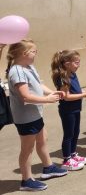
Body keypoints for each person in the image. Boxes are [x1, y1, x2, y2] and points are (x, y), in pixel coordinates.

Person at [7, 40, 68, 191]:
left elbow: (38, 84)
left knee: (42, 139)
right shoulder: (17, 71)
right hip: (25, 117)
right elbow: (26, 97)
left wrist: (51, 92)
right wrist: (47, 99)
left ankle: (48, 167)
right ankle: (26, 180)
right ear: (24, 53)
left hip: (35, 114)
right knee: (27, 149)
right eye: (34, 51)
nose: (36, 54)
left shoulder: (28, 67)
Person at [51, 50, 86, 171]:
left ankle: (72, 154)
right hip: (67, 110)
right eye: (76, 62)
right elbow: (66, 97)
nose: (79, 64)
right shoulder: (63, 77)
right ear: (67, 63)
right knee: (69, 134)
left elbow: (75, 91)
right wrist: (84, 95)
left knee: (76, 132)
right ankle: (67, 160)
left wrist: (85, 93)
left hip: (75, 108)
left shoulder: (72, 73)